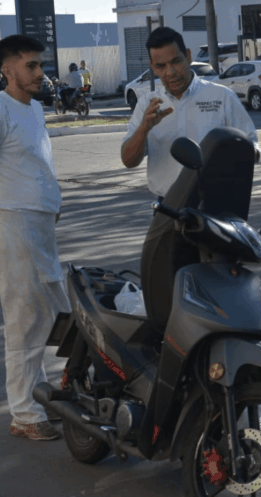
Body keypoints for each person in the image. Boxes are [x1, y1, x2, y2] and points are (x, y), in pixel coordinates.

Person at [0, 35, 71, 441]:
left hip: (41, 224)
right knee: (24, 318)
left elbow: (36, 163)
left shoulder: (36, 110)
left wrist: (51, 201)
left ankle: (40, 398)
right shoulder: (1, 108)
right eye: (31, 66)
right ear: (8, 69)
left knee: (51, 315)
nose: (41, 73)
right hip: (13, 224)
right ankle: (24, 414)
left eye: (41, 65)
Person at [121, 27, 258, 199]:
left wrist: (227, 160)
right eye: (161, 66)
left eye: (175, 61)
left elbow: (251, 146)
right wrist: (143, 129)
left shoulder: (222, 97)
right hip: (167, 209)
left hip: (216, 204)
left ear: (188, 56)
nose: (170, 72)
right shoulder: (146, 106)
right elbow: (128, 161)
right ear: (152, 68)